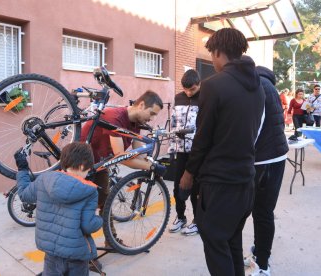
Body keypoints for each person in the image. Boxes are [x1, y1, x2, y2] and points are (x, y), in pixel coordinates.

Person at [179, 28, 265, 276]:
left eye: (212, 56)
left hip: (220, 183)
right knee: (232, 242)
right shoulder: (258, 85)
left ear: (218, 52)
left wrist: (189, 172)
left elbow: (203, 137)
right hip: (246, 180)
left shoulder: (213, 85)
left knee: (216, 244)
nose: (213, 62)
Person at [80, 90, 166, 245]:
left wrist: (151, 164)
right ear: (141, 105)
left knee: (105, 203)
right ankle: (84, 252)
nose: (152, 119)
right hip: (81, 163)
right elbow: (120, 156)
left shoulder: (135, 124)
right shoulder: (116, 117)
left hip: (99, 163)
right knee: (85, 208)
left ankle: (111, 240)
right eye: (151, 113)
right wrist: (150, 166)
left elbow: (137, 154)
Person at [14, 142, 103, 276]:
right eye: (88, 169)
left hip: (51, 254)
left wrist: (22, 169)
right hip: (76, 255)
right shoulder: (89, 191)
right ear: (82, 166)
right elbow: (88, 225)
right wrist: (99, 219)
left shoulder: (44, 179)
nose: (88, 172)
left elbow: (24, 194)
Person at [243, 66, 289, 276]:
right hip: (275, 157)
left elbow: (256, 126)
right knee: (262, 211)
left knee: (261, 212)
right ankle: (258, 252)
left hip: (264, 160)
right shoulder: (268, 85)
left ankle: (262, 265)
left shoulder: (258, 86)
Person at [168, 69, 200, 235]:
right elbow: (173, 122)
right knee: (177, 186)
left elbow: (206, 125)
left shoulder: (205, 98)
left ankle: (198, 221)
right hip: (180, 149)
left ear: (199, 84)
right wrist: (172, 144)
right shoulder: (178, 97)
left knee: (196, 188)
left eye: (192, 89)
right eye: (185, 89)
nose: (188, 93)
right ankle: (180, 217)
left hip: (197, 150)